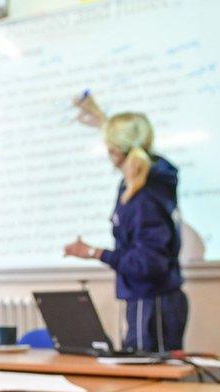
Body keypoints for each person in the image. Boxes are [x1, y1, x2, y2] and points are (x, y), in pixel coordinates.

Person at [64, 108, 188, 352]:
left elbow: (148, 263)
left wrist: (96, 253)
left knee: (148, 382)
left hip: (153, 302)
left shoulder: (144, 196)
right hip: (146, 299)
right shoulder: (141, 184)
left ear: (115, 150)